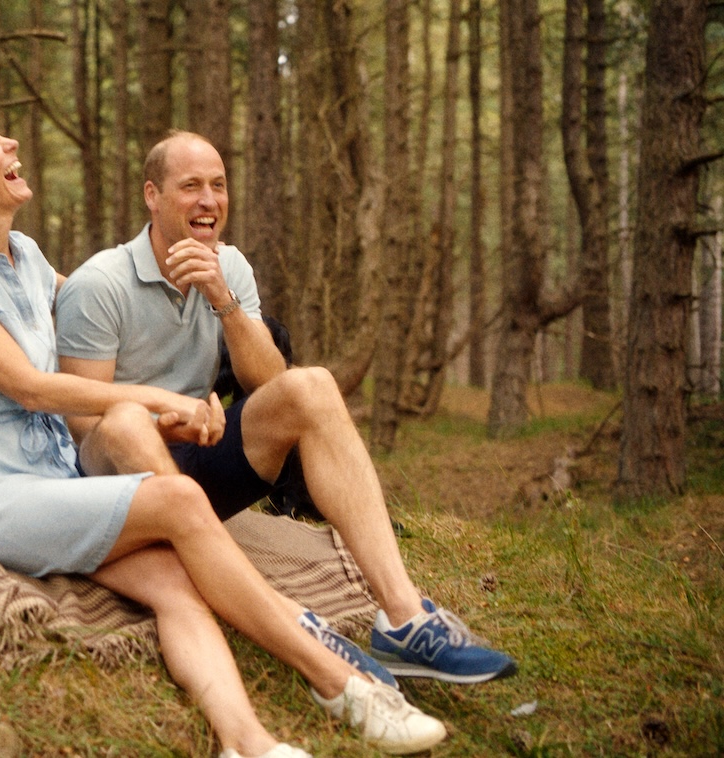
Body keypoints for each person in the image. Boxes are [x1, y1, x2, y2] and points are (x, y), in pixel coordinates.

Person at [0, 112, 448, 758]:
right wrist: (153, 399)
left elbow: (96, 302)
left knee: (177, 582)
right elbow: (32, 388)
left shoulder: (25, 256)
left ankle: (247, 743)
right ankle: (336, 677)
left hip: (57, 481)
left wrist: (184, 402)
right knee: (178, 504)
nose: (11, 145)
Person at [55, 130, 518, 686]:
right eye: (191, 186)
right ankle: (286, 620)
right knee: (126, 423)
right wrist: (164, 419)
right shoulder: (100, 284)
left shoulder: (232, 269)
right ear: (152, 196)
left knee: (313, 386)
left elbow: (270, 384)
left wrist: (223, 300)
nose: (209, 200)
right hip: (121, 486)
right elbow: (81, 422)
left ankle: (404, 618)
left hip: (200, 461)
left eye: (219, 186)